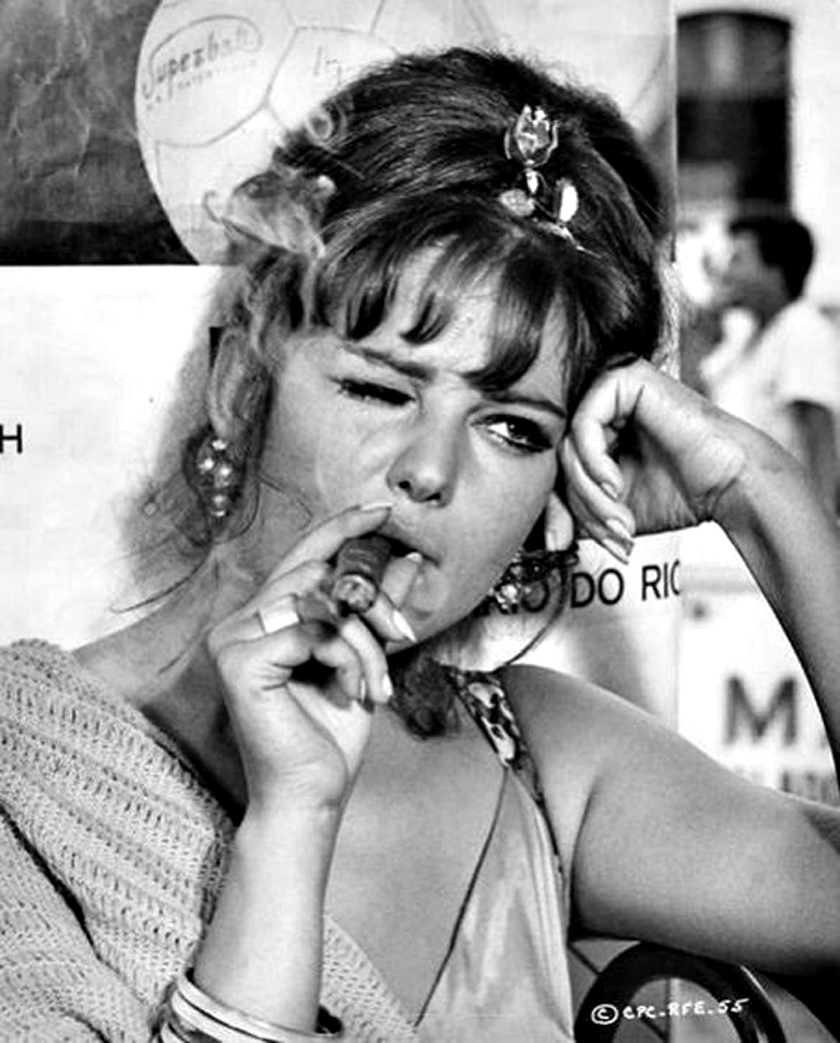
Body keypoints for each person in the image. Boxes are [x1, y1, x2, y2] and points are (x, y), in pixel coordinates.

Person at [1, 48, 838, 1043]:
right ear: (239, 387)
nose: (430, 471)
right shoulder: (22, 776)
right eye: (379, 388)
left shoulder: (547, 758)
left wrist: (761, 494)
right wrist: (290, 824)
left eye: (513, 427)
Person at [699, 212, 840, 509]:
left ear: (774, 271)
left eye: (737, 259)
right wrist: (709, 315)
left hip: (787, 514)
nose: (727, 272)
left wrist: (823, 522)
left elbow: (820, 435)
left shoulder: (802, 328)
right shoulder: (746, 336)